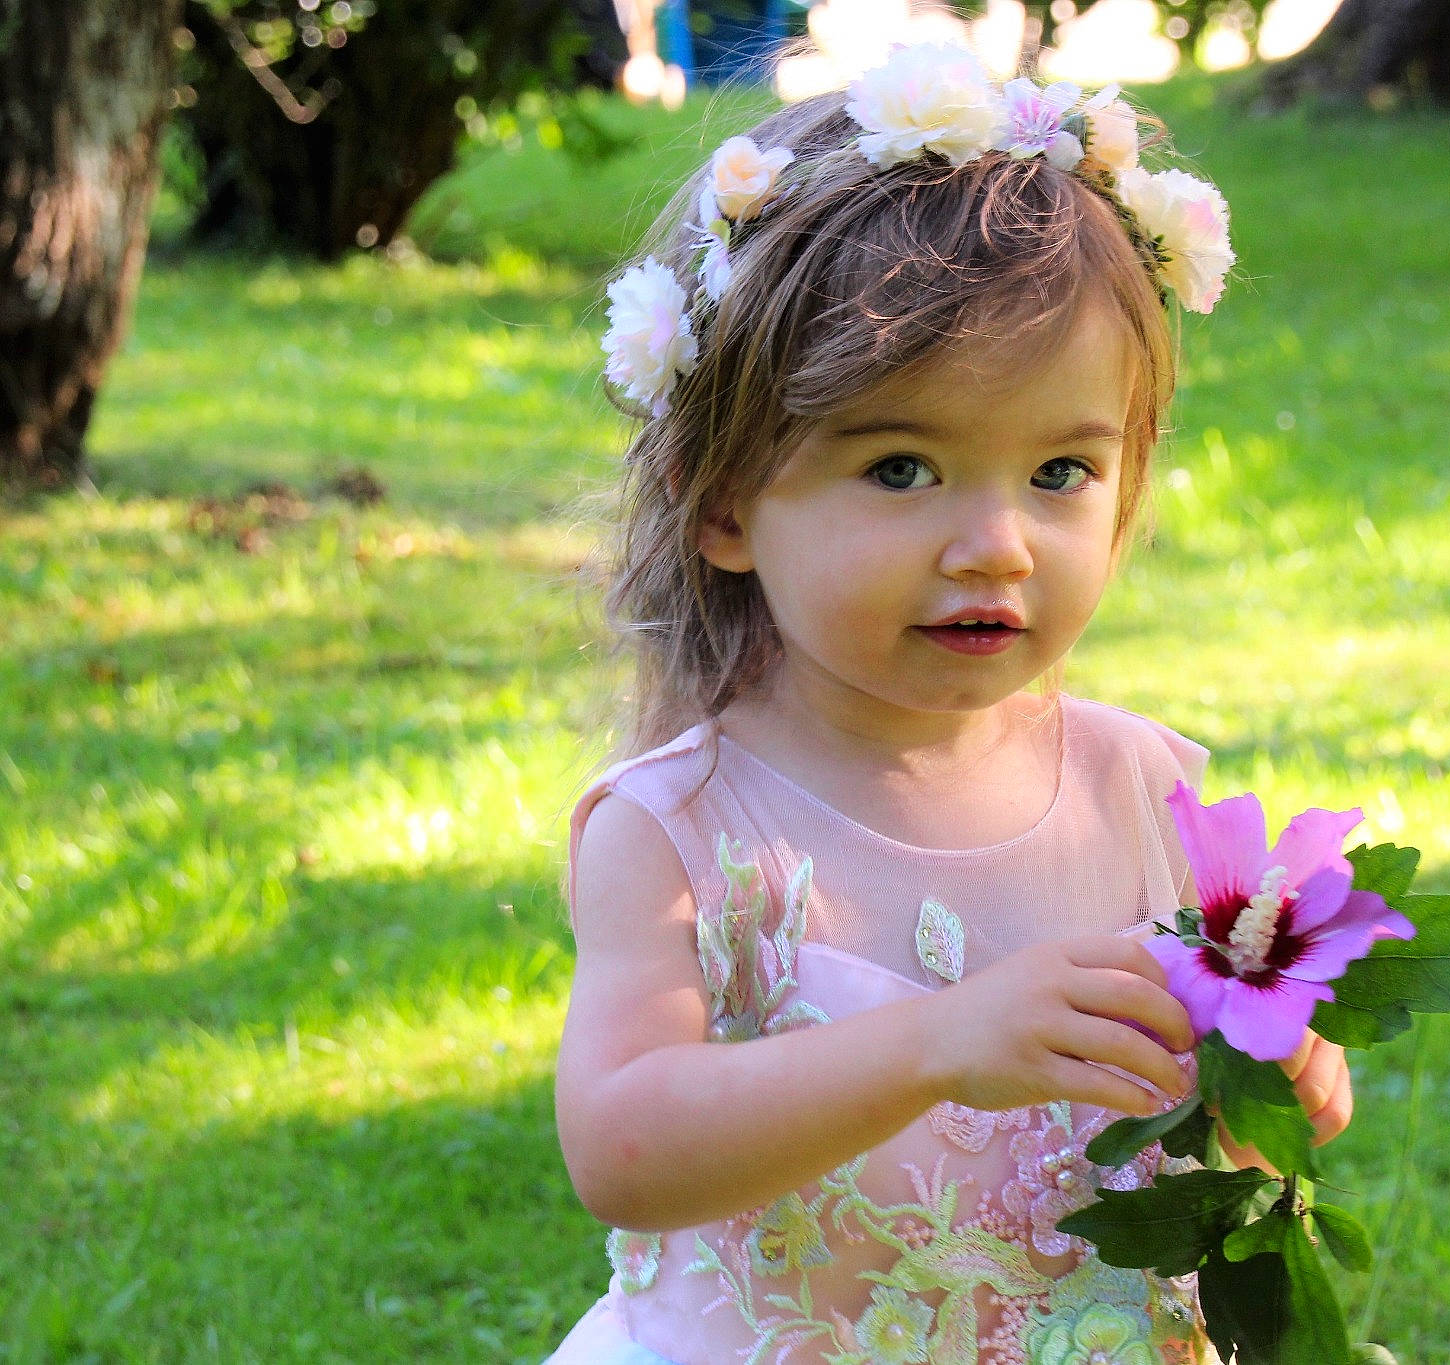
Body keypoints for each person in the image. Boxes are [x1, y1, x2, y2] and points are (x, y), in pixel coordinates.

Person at [546, 43, 1353, 1365]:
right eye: (905, 465)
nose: (997, 543)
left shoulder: (1146, 792)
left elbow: (1191, 1129)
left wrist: (1278, 1080)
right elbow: (624, 1146)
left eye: (1057, 470)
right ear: (728, 500)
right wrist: (934, 1043)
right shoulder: (683, 830)